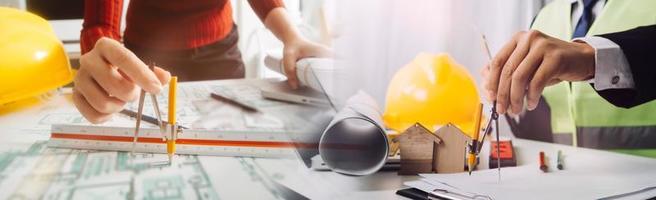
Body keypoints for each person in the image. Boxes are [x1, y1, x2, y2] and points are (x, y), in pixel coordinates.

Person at [73, 0, 331, 123]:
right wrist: (102, 59)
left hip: (219, 54)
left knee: (232, 126)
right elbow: (99, 23)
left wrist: (292, 36)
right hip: (145, 57)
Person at [482, 0, 656, 156]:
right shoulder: (545, 16)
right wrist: (512, 95)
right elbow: (540, 125)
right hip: (566, 178)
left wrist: (590, 58)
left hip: (646, 184)